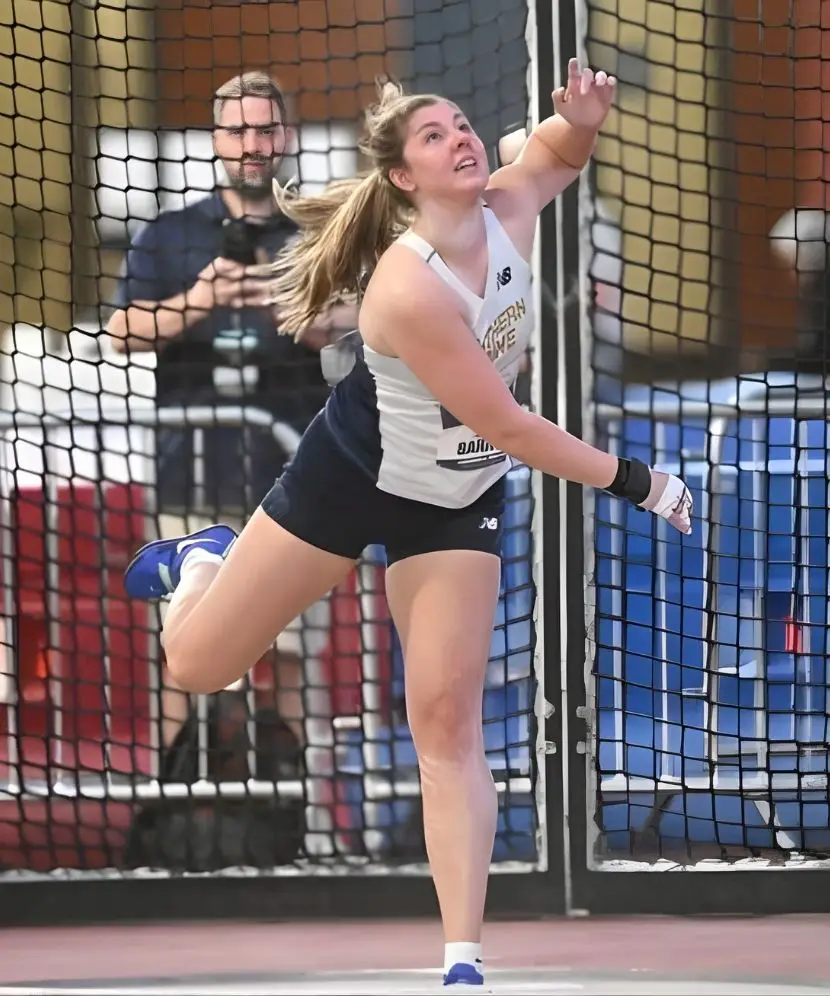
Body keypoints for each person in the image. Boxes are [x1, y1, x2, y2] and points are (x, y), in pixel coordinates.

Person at [123, 61, 693, 988]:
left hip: (457, 497)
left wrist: (582, 121)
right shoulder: (406, 287)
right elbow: (506, 425)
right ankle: (200, 564)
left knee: (446, 725)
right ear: (403, 179)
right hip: (352, 476)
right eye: (434, 136)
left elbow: (555, 155)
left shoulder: (508, 205)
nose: (461, 137)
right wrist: (638, 482)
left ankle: (462, 957)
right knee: (199, 666)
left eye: (464, 121)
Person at [107, 72, 355, 764]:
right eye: (239, 131)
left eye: (265, 130)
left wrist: (293, 308)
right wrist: (200, 299)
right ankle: (174, 813)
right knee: (185, 652)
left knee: (294, 654)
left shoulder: (316, 230)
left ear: (286, 137)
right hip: (194, 479)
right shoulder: (170, 234)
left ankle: (303, 821)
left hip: (295, 484)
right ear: (217, 139)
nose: (253, 145)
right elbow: (121, 330)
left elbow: (359, 320)